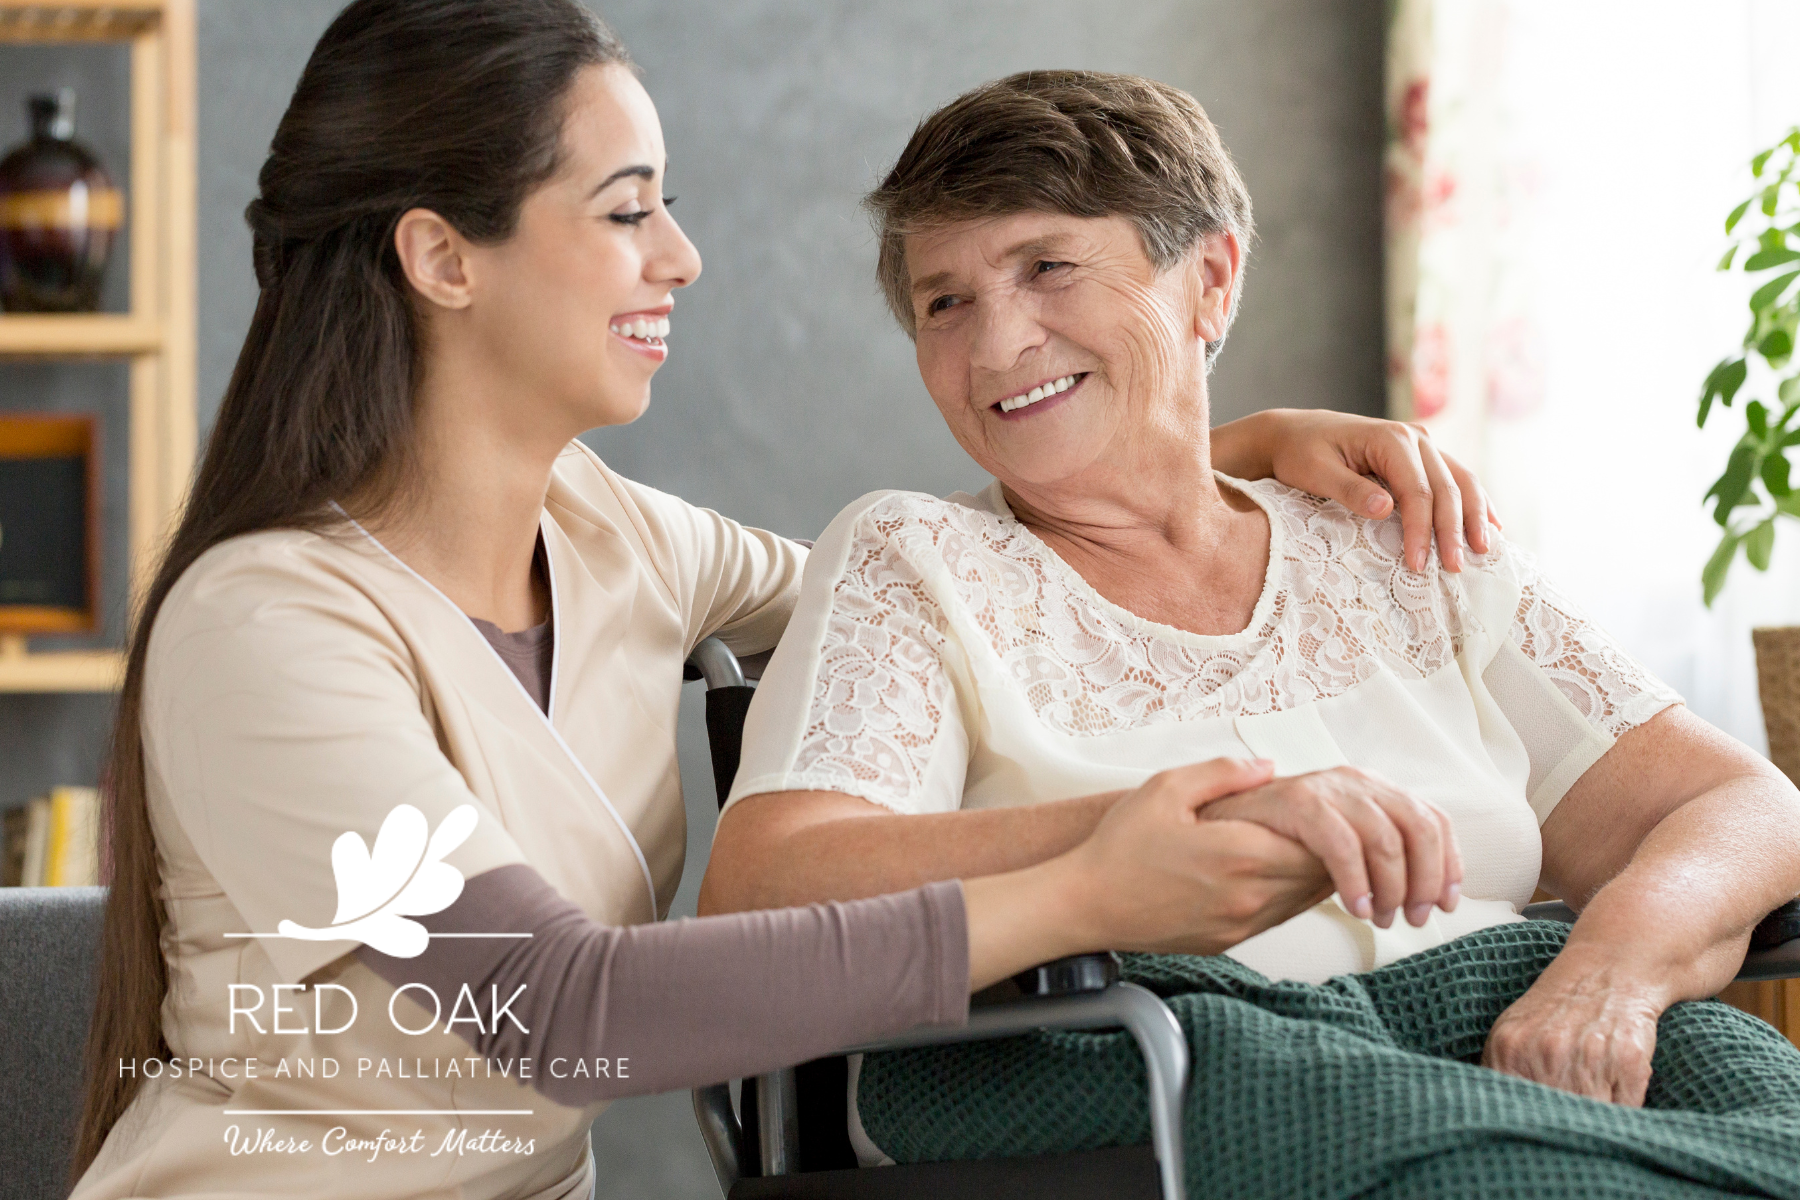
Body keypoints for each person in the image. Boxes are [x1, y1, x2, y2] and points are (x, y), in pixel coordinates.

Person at [68, 7, 1484, 1199]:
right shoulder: (266, 636)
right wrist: (1082, 889)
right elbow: (569, 1015)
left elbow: (942, 592)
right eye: (627, 210)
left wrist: (1215, 445)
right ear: (443, 258)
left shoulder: (618, 542)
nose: (679, 256)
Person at [700, 68, 1800, 1168]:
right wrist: (1166, 824)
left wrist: (1611, 976)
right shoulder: (914, 558)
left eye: (1048, 268)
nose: (994, 347)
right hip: (1175, 1054)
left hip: (1493, 1018)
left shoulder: (1389, 533)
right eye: (946, 302)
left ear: (1211, 279)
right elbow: (761, 898)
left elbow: (1739, 806)